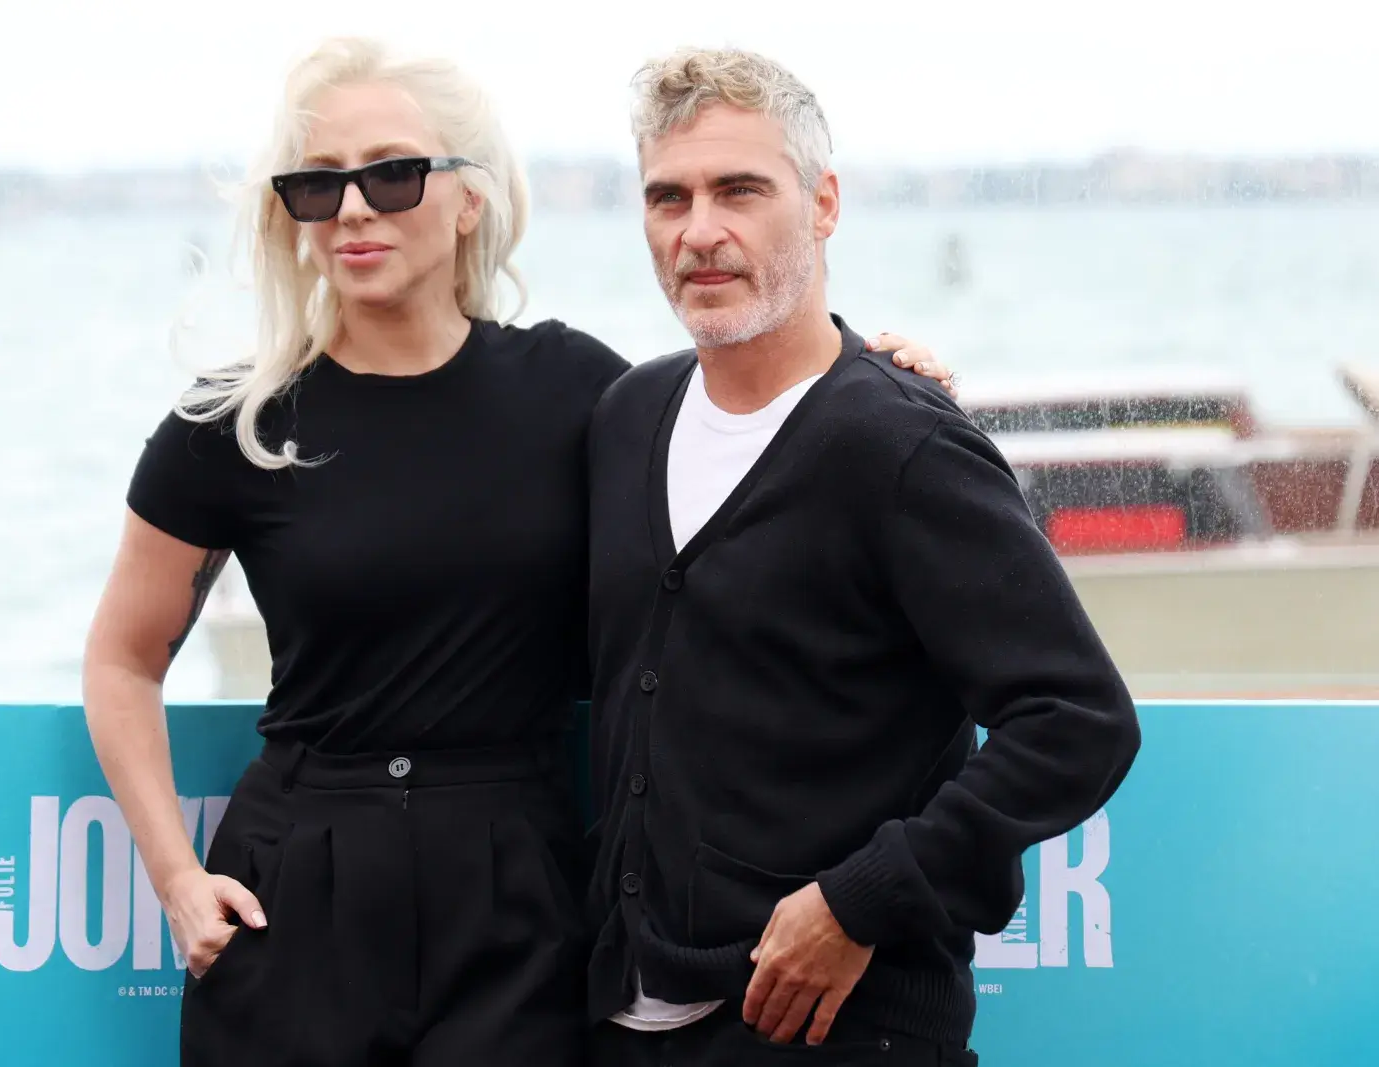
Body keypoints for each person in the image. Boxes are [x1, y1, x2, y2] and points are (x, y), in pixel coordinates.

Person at [80, 36, 956, 1067]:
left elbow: (755, 417)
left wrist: (879, 368)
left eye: (394, 173)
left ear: (470, 199)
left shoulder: (583, 392)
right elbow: (121, 658)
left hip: (516, 883)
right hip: (296, 885)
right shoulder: (234, 422)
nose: (355, 208)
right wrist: (177, 876)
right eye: (318, 186)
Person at [582, 48, 1143, 1067]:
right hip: (626, 1021)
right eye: (667, 197)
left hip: (842, 1032)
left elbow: (1077, 719)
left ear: (823, 202)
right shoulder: (627, 416)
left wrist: (861, 899)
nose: (698, 231)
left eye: (738, 189)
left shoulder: (900, 442)